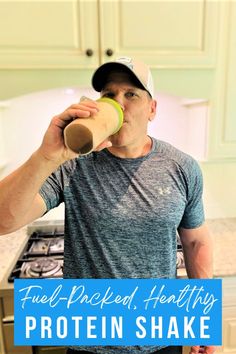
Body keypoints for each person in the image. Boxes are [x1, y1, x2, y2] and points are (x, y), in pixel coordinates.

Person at [0, 57, 214, 354]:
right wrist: (47, 155)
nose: (119, 104)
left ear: (152, 109)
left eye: (131, 94)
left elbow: (196, 242)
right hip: (89, 339)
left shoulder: (182, 167)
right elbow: (3, 221)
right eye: (109, 95)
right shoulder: (72, 164)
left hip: (162, 335)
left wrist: (204, 318)